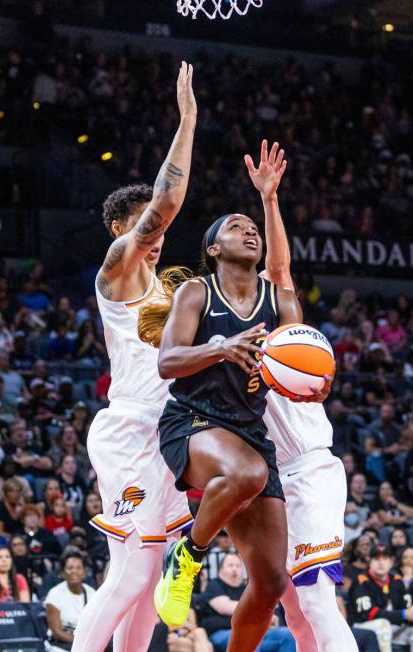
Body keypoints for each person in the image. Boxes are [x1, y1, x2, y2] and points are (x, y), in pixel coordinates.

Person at [147, 155, 305, 648]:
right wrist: (219, 347)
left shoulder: (277, 300)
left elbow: (307, 358)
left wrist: (315, 384)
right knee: (247, 474)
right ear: (214, 248)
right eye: (237, 228)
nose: (249, 232)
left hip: (248, 432)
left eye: (254, 228)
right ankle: (187, 556)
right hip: (193, 419)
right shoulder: (197, 290)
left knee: (272, 584)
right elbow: (168, 362)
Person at [72, 62, 196, 652]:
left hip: (168, 433)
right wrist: (188, 119)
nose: (160, 232)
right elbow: (166, 203)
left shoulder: (170, 291)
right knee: (130, 571)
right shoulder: (116, 274)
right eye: (146, 223)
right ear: (123, 228)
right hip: (127, 430)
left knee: (150, 578)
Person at [246, 140, 357, 651]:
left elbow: (283, 268)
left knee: (315, 600)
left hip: (309, 469)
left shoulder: (280, 322)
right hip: (269, 483)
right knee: (291, 605)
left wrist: (269, 201)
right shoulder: (213, 329)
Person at [201, 553, 296, 651]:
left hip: (253, 631)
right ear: (220, 570)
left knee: (288, 634)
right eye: (230, 565)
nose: (234, 569)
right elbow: (224, 607)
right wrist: (261, 614)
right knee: (248, 638)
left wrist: (267, 617)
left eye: (238, 566)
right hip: (221, 633)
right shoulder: (215, 585)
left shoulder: (248, 588)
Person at [348, 545, 413, 651]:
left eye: (385, 559)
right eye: (377, 559)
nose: (381, 563)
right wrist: (403, 614)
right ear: (370, 562)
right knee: (383, 625)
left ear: (391, 562)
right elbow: (369, 613)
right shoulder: (361, 580)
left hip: (392, 625)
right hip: (361, 625)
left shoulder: (396, 580)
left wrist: (408, 613)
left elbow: (406, 607)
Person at [45, 552, 96, 651]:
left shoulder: (91, 593)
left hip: (85, 640)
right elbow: (56, 632)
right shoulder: (55, 594)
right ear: (63, 572)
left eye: (78, 568)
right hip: (62, 642)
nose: (74, 571)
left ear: (84, 572)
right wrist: (81, 643)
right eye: (70, 568)